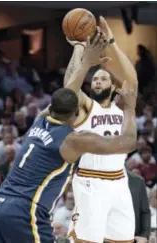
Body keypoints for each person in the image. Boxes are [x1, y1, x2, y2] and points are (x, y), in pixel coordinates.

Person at [0, 78, 137, 243]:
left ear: (51, 108)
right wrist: (129, 109)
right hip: (25, 210)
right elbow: (128, 143)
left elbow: (68, 88)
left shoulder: (39, 121)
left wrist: (84, 58)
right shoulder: (72, 140)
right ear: (75, 114)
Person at [63, 16, 138, 243]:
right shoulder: (87, 108)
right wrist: (79, 49)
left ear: (113, 86)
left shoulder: (122, 106)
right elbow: (69, 88)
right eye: (95, 78)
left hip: (119, 181)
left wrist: (113, 42)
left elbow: (131, 80)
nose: (97, 80)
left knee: (123, 239)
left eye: (103, 77)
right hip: (90, 182)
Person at [127, 171, 151, 243]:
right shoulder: (96, 180)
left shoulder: (138, 181)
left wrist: (144, 236)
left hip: (133, 238)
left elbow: (145, 211)